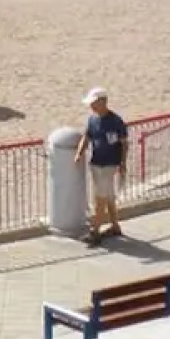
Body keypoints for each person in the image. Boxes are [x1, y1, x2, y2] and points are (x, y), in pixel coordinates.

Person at [74, 87, 128, 243]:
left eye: (94, 103)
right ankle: (115, 226)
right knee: (108, 196)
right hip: (96, 163)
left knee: (100, 198)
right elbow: (87, 137)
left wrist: (122, 163)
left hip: (108, 165)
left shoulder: (116, 121)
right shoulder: (92, 119)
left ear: (103, 101)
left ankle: (95, 231)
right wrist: (79, 152)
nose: (91, 106)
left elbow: (124, 143)